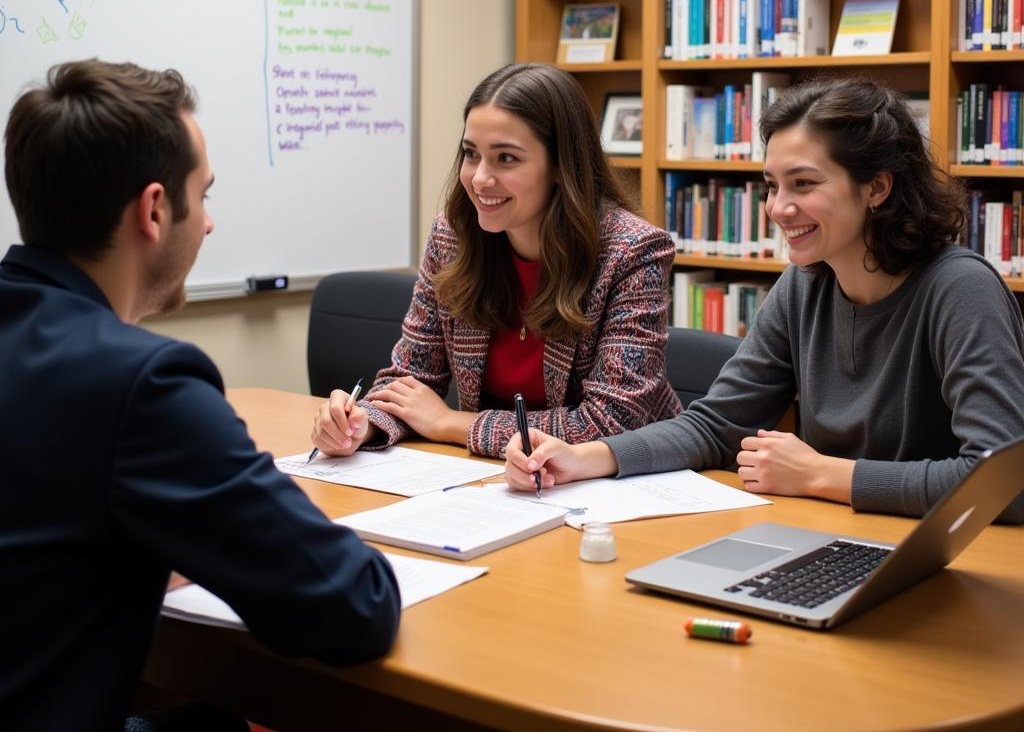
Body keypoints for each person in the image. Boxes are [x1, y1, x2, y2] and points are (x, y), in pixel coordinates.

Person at [0, 60, 401, 731]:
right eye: (204, 195)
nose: (209, 223)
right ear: (154, 209)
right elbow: (352, 607)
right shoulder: (143, 383)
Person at [505, 76, 1024, 524]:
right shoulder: (804, 284)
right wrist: (584, 458)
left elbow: (1003, 481)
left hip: (944, 556)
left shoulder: (960, 289)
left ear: (877, 188)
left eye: (803, 184)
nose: (778, 208)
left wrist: (823, 475)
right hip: (834, 535)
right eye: (771, 186)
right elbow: (714, 427)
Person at [310, 62, 681, 460]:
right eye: (472, 154)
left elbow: (611, 422)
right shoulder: (452, 237)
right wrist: (361, 422)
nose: (480, 178)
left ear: (560, 165)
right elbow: (411, 379)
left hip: (616, 486)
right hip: (495, 478)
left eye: (506, 158)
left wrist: (450, 423)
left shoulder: (631, 252)